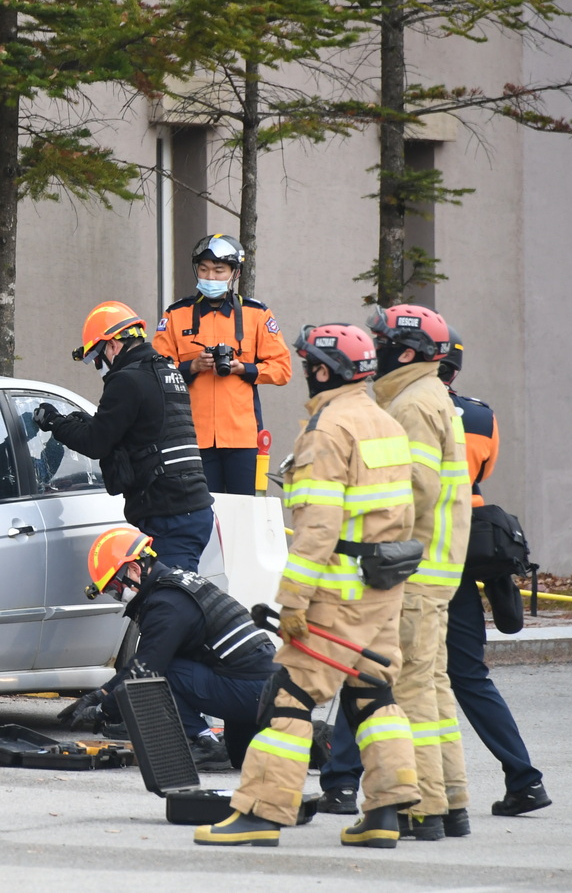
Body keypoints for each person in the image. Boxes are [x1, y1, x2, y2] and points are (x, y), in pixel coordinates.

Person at [195, 323, 420, 849]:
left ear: (324, 371)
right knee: (374, 695)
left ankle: (261, 813)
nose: (306, 374)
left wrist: (293, 601)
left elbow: (318, 527)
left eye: (309, 365)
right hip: (382, 590)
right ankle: (386, 813)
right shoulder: (385, 423)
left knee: (289, 698)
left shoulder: (328, 430)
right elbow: (404, 515)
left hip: (337, 595)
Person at [364, 303, 472, 840]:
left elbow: (413, 491)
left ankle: (421, 807)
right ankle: (451, 802)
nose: (372, 352)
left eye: (381, 343)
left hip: (415, 568)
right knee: (433, 684)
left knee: (407, 686)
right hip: (436, 566)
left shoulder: (411, 405)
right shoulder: (432, 396)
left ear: (406, 353)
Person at [440, 330, 552, 817]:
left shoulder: (397, 412)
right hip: (463, 553)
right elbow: (481, 474)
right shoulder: (481, 415)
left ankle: (341, 780)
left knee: (377, 670)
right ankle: (525, 779)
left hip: (412, 555)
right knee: (469, 675)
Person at [59, 527, 276, 771]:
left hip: (250, 690)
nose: (116, 596)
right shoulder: (175, 587)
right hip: (260, 688)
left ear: (134, 569)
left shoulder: (166, 605)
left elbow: (145, 671)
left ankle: (205, 741)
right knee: (240, 756)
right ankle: (303, 740)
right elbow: (141, 662)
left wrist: (104, 711)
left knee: (164, 673)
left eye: (113, 588)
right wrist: (100, 694)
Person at [33, 302, 214, 569]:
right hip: (189, 507)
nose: (99, 367)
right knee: (171, 588)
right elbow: (144, 429)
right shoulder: (167, 372)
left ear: (112, 346)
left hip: (169, 514)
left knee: (171, 592)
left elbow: (95, 443)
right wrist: (90, 422)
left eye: (97, 359)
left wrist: (55, 422)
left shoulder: (127, 380)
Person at [152, 234, 291, 495]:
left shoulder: (256, 314)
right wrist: (191, 367)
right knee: (202, 510)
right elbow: (155, 372)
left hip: (243, 437)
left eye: (219, 270)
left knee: (246, 509)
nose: (210, 277)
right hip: (193, 436)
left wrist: (246, 369)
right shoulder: (176, 314)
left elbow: (282, 369)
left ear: (234, 273)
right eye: (204, 269)